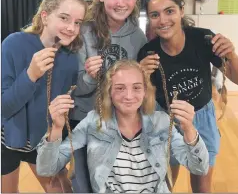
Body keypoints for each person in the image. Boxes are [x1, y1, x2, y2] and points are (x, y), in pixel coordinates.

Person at [36, 59, 209, 193]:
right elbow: (46, 168)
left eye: (136, 87)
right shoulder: (93, 122)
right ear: (109, 92)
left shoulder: (161, 122)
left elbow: (199, 167)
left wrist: (189, 130)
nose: (128, 96)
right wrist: (56, 129)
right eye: (120, 88)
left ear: (145, 91)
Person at [138, 0, 238, 192]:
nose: (163, 20)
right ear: (149, 19)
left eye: (169, 11)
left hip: (202, 118)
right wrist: (142, 79)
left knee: (202, 185)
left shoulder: (203, 40)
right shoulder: (147, 53)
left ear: (181, 11)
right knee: (165, 185)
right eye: (155, 15)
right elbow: (143, 104)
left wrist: (232, 55)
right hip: (166, 122)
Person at [66, 0, 147, 191]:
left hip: (121, 124)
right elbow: (75, 89)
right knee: (83, 184)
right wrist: (91, 77)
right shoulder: (82, 32)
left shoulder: (137, 36)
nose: (122, 2)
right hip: (83, 120)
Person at [1, 0, 87, 193]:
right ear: (45, 16)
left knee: (62, 189)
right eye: (64, 18)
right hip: (8, 139)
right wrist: (30, 75)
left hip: (44, 141)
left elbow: (63, 112)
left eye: (77, 22)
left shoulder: (70, 59)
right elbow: (4, 107)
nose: (71, 28)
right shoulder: (14, 44)